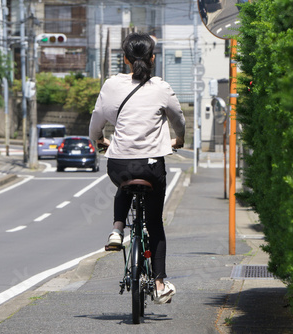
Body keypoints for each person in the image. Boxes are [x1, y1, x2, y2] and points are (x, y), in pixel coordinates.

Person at [89, 32, 185, 305]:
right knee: (154, 224)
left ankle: (117, 231)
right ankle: (159, 282)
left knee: (124, 185)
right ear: (153, 58)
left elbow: (96, 122)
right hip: (153, 166)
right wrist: (179, 140)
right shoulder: (161, 87)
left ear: (125, 59)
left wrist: (99, 141)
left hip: (119, 164)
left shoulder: (111, 85)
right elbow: (179, 120)